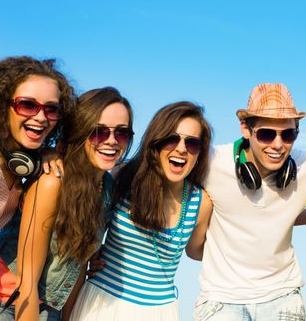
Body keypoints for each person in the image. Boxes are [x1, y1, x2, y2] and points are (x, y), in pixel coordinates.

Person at [0, 87, 134, 320]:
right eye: (99, 132)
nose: (111, 141)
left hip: (47, 306)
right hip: (1, 301)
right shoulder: (52, 181)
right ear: (80, 133)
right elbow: (26, 283)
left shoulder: (106, 189)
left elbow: (76, 266)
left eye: (121, 133)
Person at [190, 83, 306, 321]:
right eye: (266, 133)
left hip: (283, 298)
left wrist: (284, 220)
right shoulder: (210, 161)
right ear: (245, 128)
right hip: (220, 301)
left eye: (288, 134)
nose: (277, 144)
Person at [69, 101, 213, 321]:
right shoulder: (122, 177)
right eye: (172, 138)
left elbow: (197, 251)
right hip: (102, 304)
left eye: (192, 143)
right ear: (156, 142)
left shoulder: (200, 202)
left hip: (159, 312)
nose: (181, 149)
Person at [0, 56, 75, 273]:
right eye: (27, 105)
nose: (41, 117)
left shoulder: (21, 163)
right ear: (2, 106)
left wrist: (46, 152)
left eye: (51, 110)